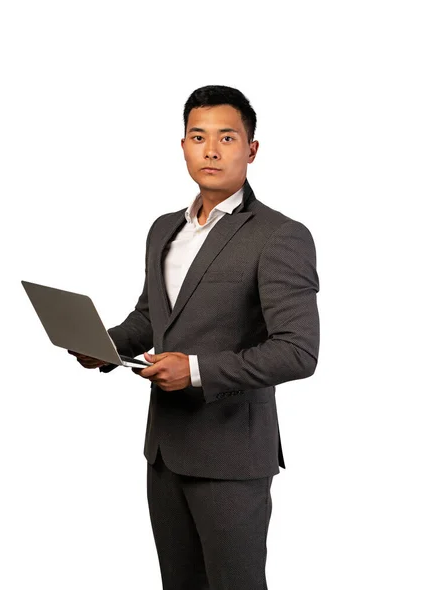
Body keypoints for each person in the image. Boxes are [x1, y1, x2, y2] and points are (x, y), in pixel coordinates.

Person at [68, 85, 320, 590]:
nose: (211, 150)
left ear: (251, 149)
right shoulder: (164, 229)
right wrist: (103, 344)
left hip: (231, 454)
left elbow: (298, 350)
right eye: (198, 136)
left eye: (227, 137)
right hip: (164, 449)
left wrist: (197, 370)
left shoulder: (279, 235)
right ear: (182, 145)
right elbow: (151, 317)